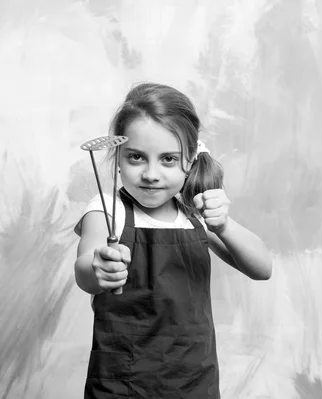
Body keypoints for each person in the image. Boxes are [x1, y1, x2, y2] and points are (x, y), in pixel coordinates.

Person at [74, 82, 272, 398]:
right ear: (118, 156)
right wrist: (97, 267)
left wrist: (223, 226)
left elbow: (263, 268)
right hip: (122, 384)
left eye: (168, 159)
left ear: (191, 159)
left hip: (194, 383)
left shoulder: (192, 211)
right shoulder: (108, 209)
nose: (151, 174)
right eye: (136, 157)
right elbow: (85, 272)